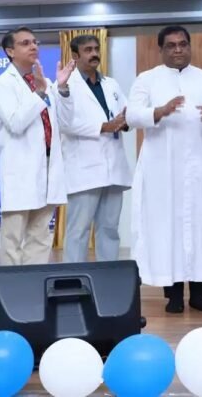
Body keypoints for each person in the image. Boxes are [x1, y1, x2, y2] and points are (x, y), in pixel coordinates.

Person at [127, 26, 202, 313]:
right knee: (168, 228)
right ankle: (172, 295)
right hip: (163, 169)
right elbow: (132, 115)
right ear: (161, 49)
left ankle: (200, 293)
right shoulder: (147, 79)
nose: (178, 49)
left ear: (189, 46)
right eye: (171, 45)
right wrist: (158, 111)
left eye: (183, 44)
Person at [0, 27, 75, 265]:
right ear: (10, 51)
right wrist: (39, 94)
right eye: (25, 43)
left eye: (35, 42)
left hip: (47, 166)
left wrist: (62, 89)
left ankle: (33, 281)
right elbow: (16, 123)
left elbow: (66, 122)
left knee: (41, 235)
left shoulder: (45, 82)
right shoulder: (2, 85)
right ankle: (11, 283)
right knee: (13, 236)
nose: (34, 46)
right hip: (21, 168)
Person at [60, 35, 131, 263]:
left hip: (114, 167)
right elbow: (64, 123)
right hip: (84, 170)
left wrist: (126, 121)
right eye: (88, 50)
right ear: (75, 55)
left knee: (110, 228)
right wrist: (103, 126)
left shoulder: (111, 84)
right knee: (78, 230)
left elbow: (126, 112)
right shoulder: (65, 86)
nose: (94, 54)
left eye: (96, 49)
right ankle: (73, 277)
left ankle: (108, 277)